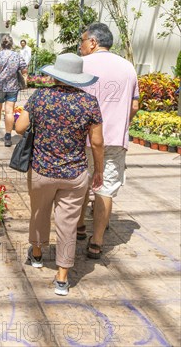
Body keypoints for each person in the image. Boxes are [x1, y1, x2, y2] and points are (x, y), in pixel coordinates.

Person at [15, 53, 104, 296]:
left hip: (41, 170)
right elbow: (97, 143)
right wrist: (99, 170)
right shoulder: (89, 103)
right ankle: (62, 277)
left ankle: (36, 254)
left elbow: (20, 127)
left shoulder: (40, 96)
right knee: (68, 224)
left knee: (38, 212)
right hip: (74, 173)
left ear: (55, 73)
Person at [75, 23, 140, 259]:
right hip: (113, 139)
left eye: (82, 41)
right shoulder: (128, 67)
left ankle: (80, 226)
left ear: (93, 42)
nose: (81, 47)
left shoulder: (81, 65)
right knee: (106, 188)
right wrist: (119, 122)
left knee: (81, 182)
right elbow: (134, 105)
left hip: (81, 138)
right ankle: (97, 241)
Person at [0, 35, 27, 147]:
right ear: (11, 44)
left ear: (1, 44)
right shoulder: (17, 56)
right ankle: (8, 137)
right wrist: (25, 79)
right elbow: (24, 69)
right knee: (9, 112)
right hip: (12, 87)